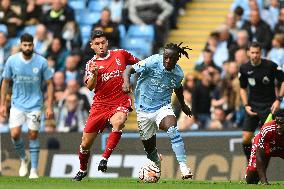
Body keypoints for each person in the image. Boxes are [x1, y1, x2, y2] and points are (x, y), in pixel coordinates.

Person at [73, 30, 139, 181]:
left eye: (103, 43)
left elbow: (139, 64)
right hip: (100, 106)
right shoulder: (91, 64)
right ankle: (83, 170)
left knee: (119, 121)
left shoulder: (121, 54)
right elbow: (89, 87)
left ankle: (104, 158)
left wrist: (129, 78)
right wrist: (95, 74)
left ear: (107, 43)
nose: (101, 46)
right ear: (92, 46)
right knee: (85, 144)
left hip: (119, 101)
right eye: (97, 44)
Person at [122, 42, 193, 179]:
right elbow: (129, 69)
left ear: (177, 58)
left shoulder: (178, 73)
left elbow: (178, 88)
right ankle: (156, 167)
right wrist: (126, 82)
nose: (167, 60)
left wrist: (183, 105)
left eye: (171, 58)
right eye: (165, 57)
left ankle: (184, 167)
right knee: (150, 150)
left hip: (162, 107)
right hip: (143, 110)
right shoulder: (153, 61)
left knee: (172, 129)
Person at [0, 33, 54, 179]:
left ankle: (34, 170)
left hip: (35, 105)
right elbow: (5, 82)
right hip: (17, 104)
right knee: (15, 134)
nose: (27, 47)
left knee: (33, 135)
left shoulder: (41, 62)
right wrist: (2, 105)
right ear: (20, 45)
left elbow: (50, 84)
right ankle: (24, 158)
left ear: (33, 45)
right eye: (25, 45)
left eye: (30, 45)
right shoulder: (12, 61)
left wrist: (49, 106)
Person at [239, 42, 284, 162]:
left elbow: (283, 81)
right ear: (248, 53)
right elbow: (242, 88)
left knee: (268, 140)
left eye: (257, 53)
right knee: (246, 139)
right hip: (253, 107)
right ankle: (250, 164)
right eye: (252, 52)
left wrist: (279, 99)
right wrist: (246, 105)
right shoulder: (244, 68)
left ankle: (261, 168)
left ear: (261, 53)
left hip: (269, 107)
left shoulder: (271, 66)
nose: (254, 55)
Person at [246, 109, 284, 185]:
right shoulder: (267, 129)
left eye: (282, 123)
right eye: (277, 123)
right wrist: (264, 182)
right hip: (267, 147)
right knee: (251, 180)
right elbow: (259, 155)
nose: (278, 126)